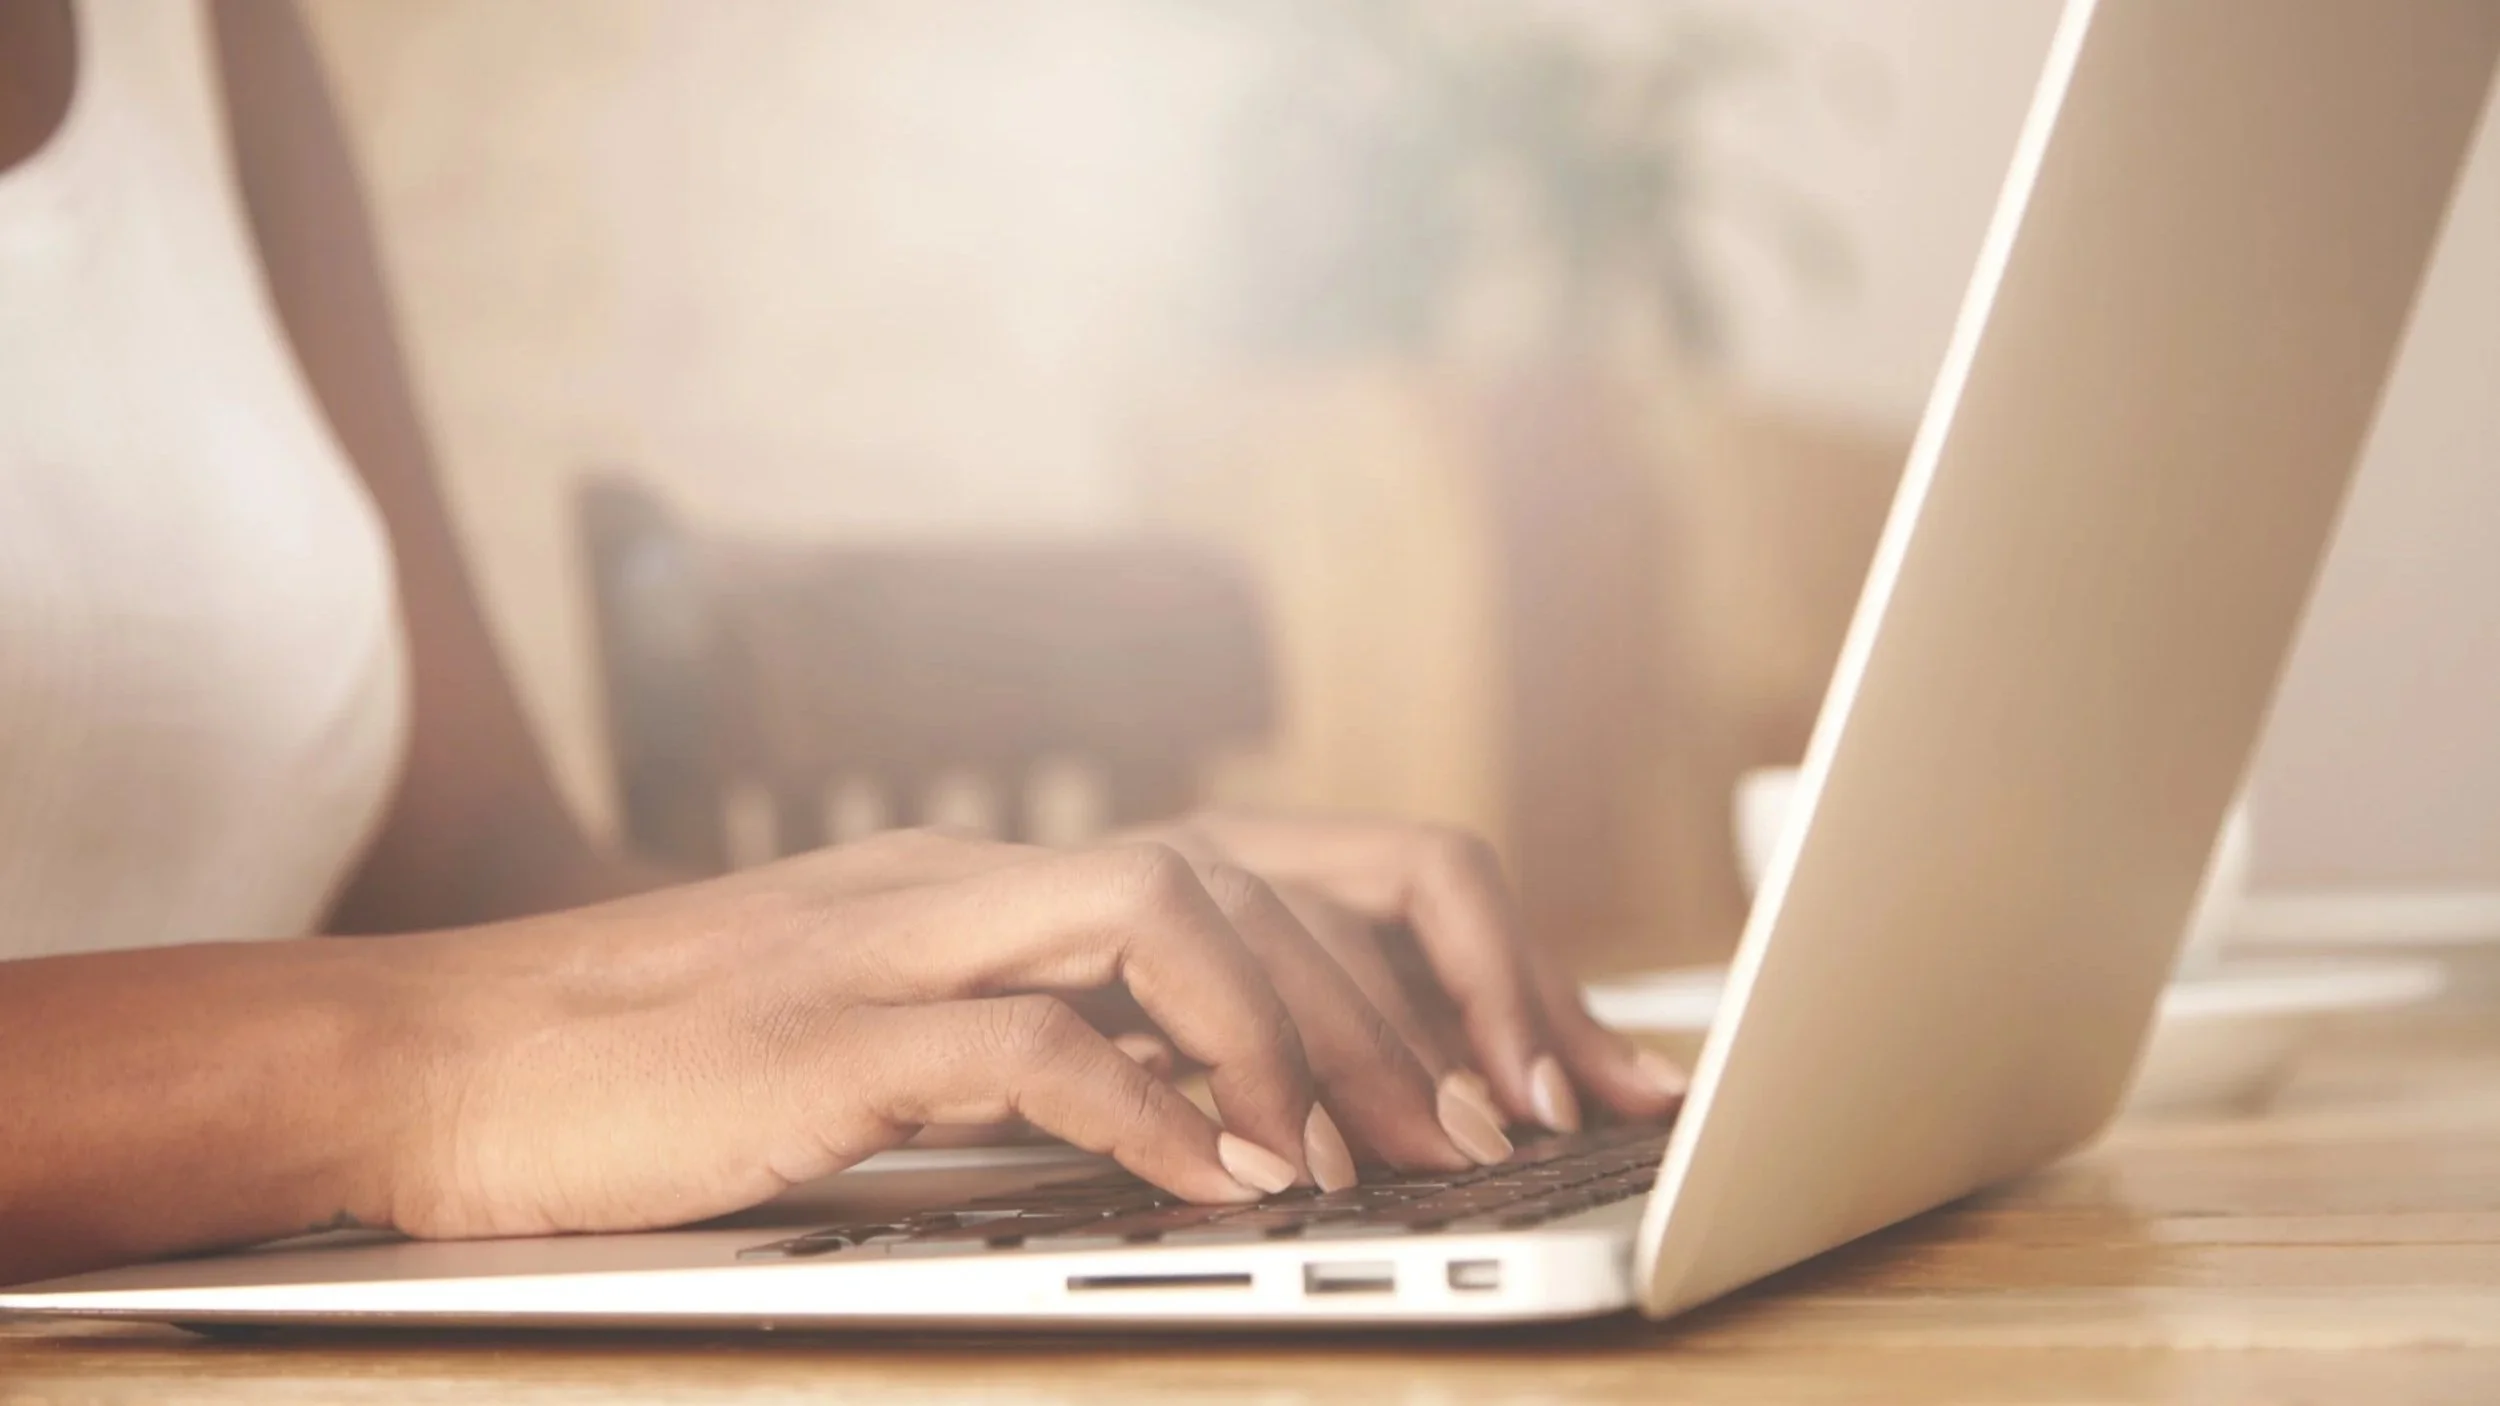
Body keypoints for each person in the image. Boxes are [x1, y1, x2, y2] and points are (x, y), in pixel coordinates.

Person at [0, 0, 1684, 1289]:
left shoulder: (206, 37)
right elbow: (447, 1003)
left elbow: (468, 853)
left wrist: (969, 921)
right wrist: (398, 1067)